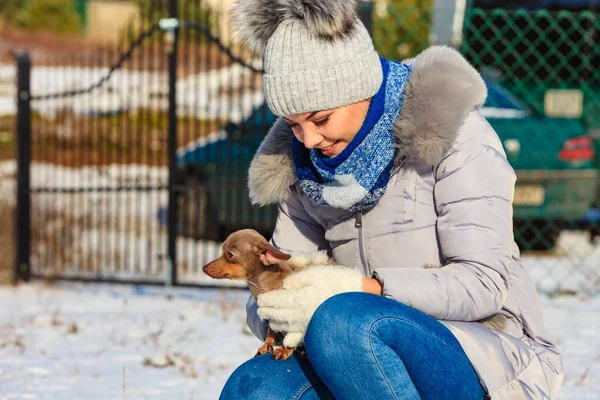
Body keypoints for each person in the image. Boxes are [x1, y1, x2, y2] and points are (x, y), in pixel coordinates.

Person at [220, 0, 564, 399]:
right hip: (349, 351)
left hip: (480, 349)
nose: (309, 141)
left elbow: (484, 284)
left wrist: (364, 289)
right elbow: (281, 279)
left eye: (320, 119)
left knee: (344, 319)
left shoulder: (456, 137)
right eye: (294, 125)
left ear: (359, 89)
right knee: (256, 388)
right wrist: (279, 306)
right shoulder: (303, 168)